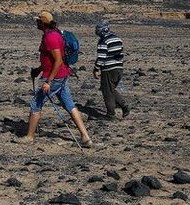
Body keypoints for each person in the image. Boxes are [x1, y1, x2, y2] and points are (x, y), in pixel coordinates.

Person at [14, 11, 94, 147]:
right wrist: (39, 69)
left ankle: (29, 137)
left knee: (36, 104)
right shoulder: (54, 34)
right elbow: (51, 60)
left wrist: (48, 82)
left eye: (38, 21)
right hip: (62, 75)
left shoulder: (50, 37)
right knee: (69, 105)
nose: (36, 23)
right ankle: (86, 138)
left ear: (43, 22)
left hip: (54, 77)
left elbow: (58, 60)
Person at [92, 19, 130, 119]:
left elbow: (101, 58)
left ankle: (111, 114)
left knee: (107, 92)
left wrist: (96, 69)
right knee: (111, 89)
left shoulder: (103, 41)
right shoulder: (118, 39)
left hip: (109, 69)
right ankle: (124, 106)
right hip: (119, 68)